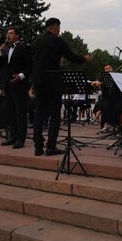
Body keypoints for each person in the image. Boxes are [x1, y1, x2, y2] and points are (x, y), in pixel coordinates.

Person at [30, 18, 91, 156]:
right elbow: (72, 57)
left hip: (39, 81)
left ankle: (38, 147)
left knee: (39, 113)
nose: (59, 31)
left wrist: (33, 83)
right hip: (52, 82)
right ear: (54, 27)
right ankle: (51, 146)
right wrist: (85, 59)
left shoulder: (38, 41)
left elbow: (36, 62)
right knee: (55, 114)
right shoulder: (57, 40)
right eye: (58, 28)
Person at [0, 27, 32, 148]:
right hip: (7, 85)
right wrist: (0, 52)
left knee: (20, 112)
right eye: (7, 33)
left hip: (19, 85)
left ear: (17, 35)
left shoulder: (24, 48)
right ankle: (12, 137)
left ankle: (20, 139)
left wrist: (21, 76)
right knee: (10, 112)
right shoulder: (5, 49)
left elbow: (30, 66)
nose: (8, 35)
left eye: (10, 33)